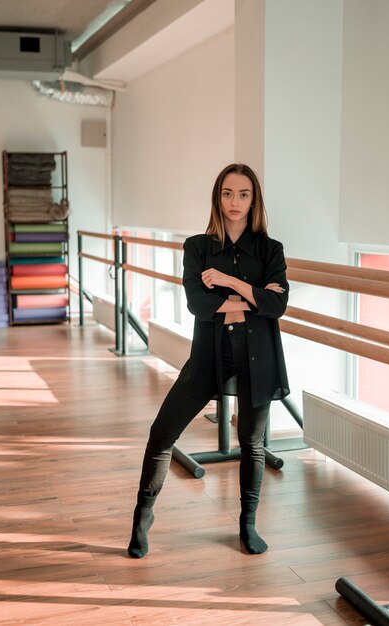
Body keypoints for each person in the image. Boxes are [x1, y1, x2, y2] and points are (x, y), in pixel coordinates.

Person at [127, 163, 290, 559]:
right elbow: (198, 304)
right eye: (228, 193)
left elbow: (278, 304)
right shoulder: (197, 247)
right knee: (162, 434)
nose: (235, 202)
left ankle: (247, 524)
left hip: (259, 358)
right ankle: (142, 516)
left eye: (244, 194)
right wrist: (254, 298)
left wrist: (232, 284)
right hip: (207, 357)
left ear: (255, 200)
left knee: (252, 443)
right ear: (218, 198)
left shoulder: (271, 250)